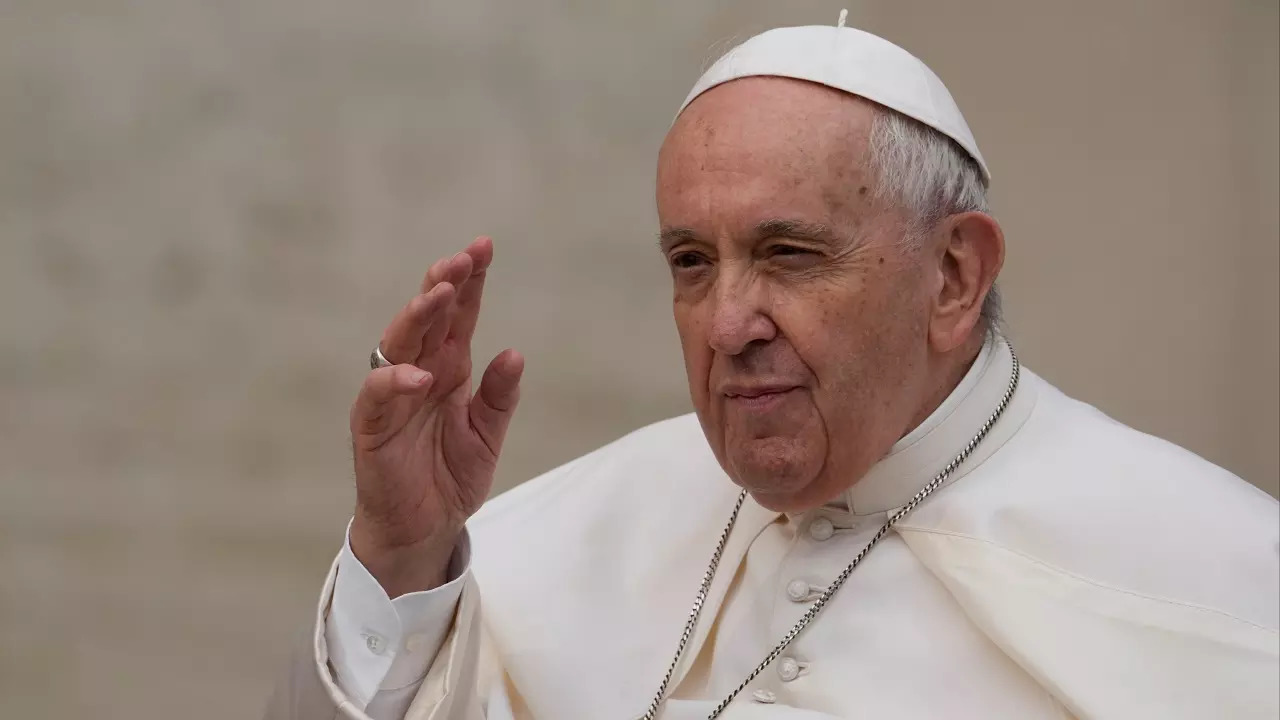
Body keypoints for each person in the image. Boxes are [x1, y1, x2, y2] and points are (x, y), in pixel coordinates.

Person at [265, 17, 1279, 720]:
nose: (727, 322)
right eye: (690, 263)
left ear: (953, 275)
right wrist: (399, 558)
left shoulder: (1217, 575)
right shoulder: (557, 535)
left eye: (789, 254)